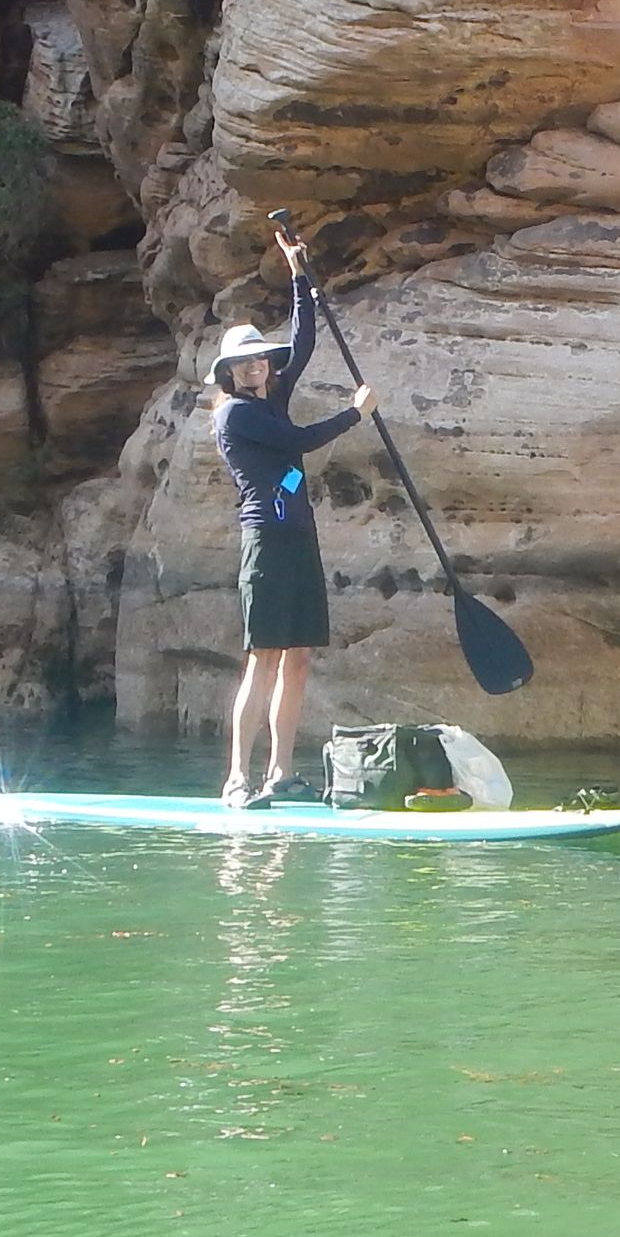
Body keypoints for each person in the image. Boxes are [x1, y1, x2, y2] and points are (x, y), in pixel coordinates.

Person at [209, 227, 370, 805]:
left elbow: (302, 344)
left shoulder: (270, 395)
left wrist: (299, 274)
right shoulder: (235, 417)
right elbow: (298, 440)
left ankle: (280, 774)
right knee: (264, 660)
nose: (255, 368)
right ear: (228, 374)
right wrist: (354, 415)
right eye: (244, 364)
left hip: (301, 538)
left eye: (259, 361)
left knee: (298, 660)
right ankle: (237, 780)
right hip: (266, 541)